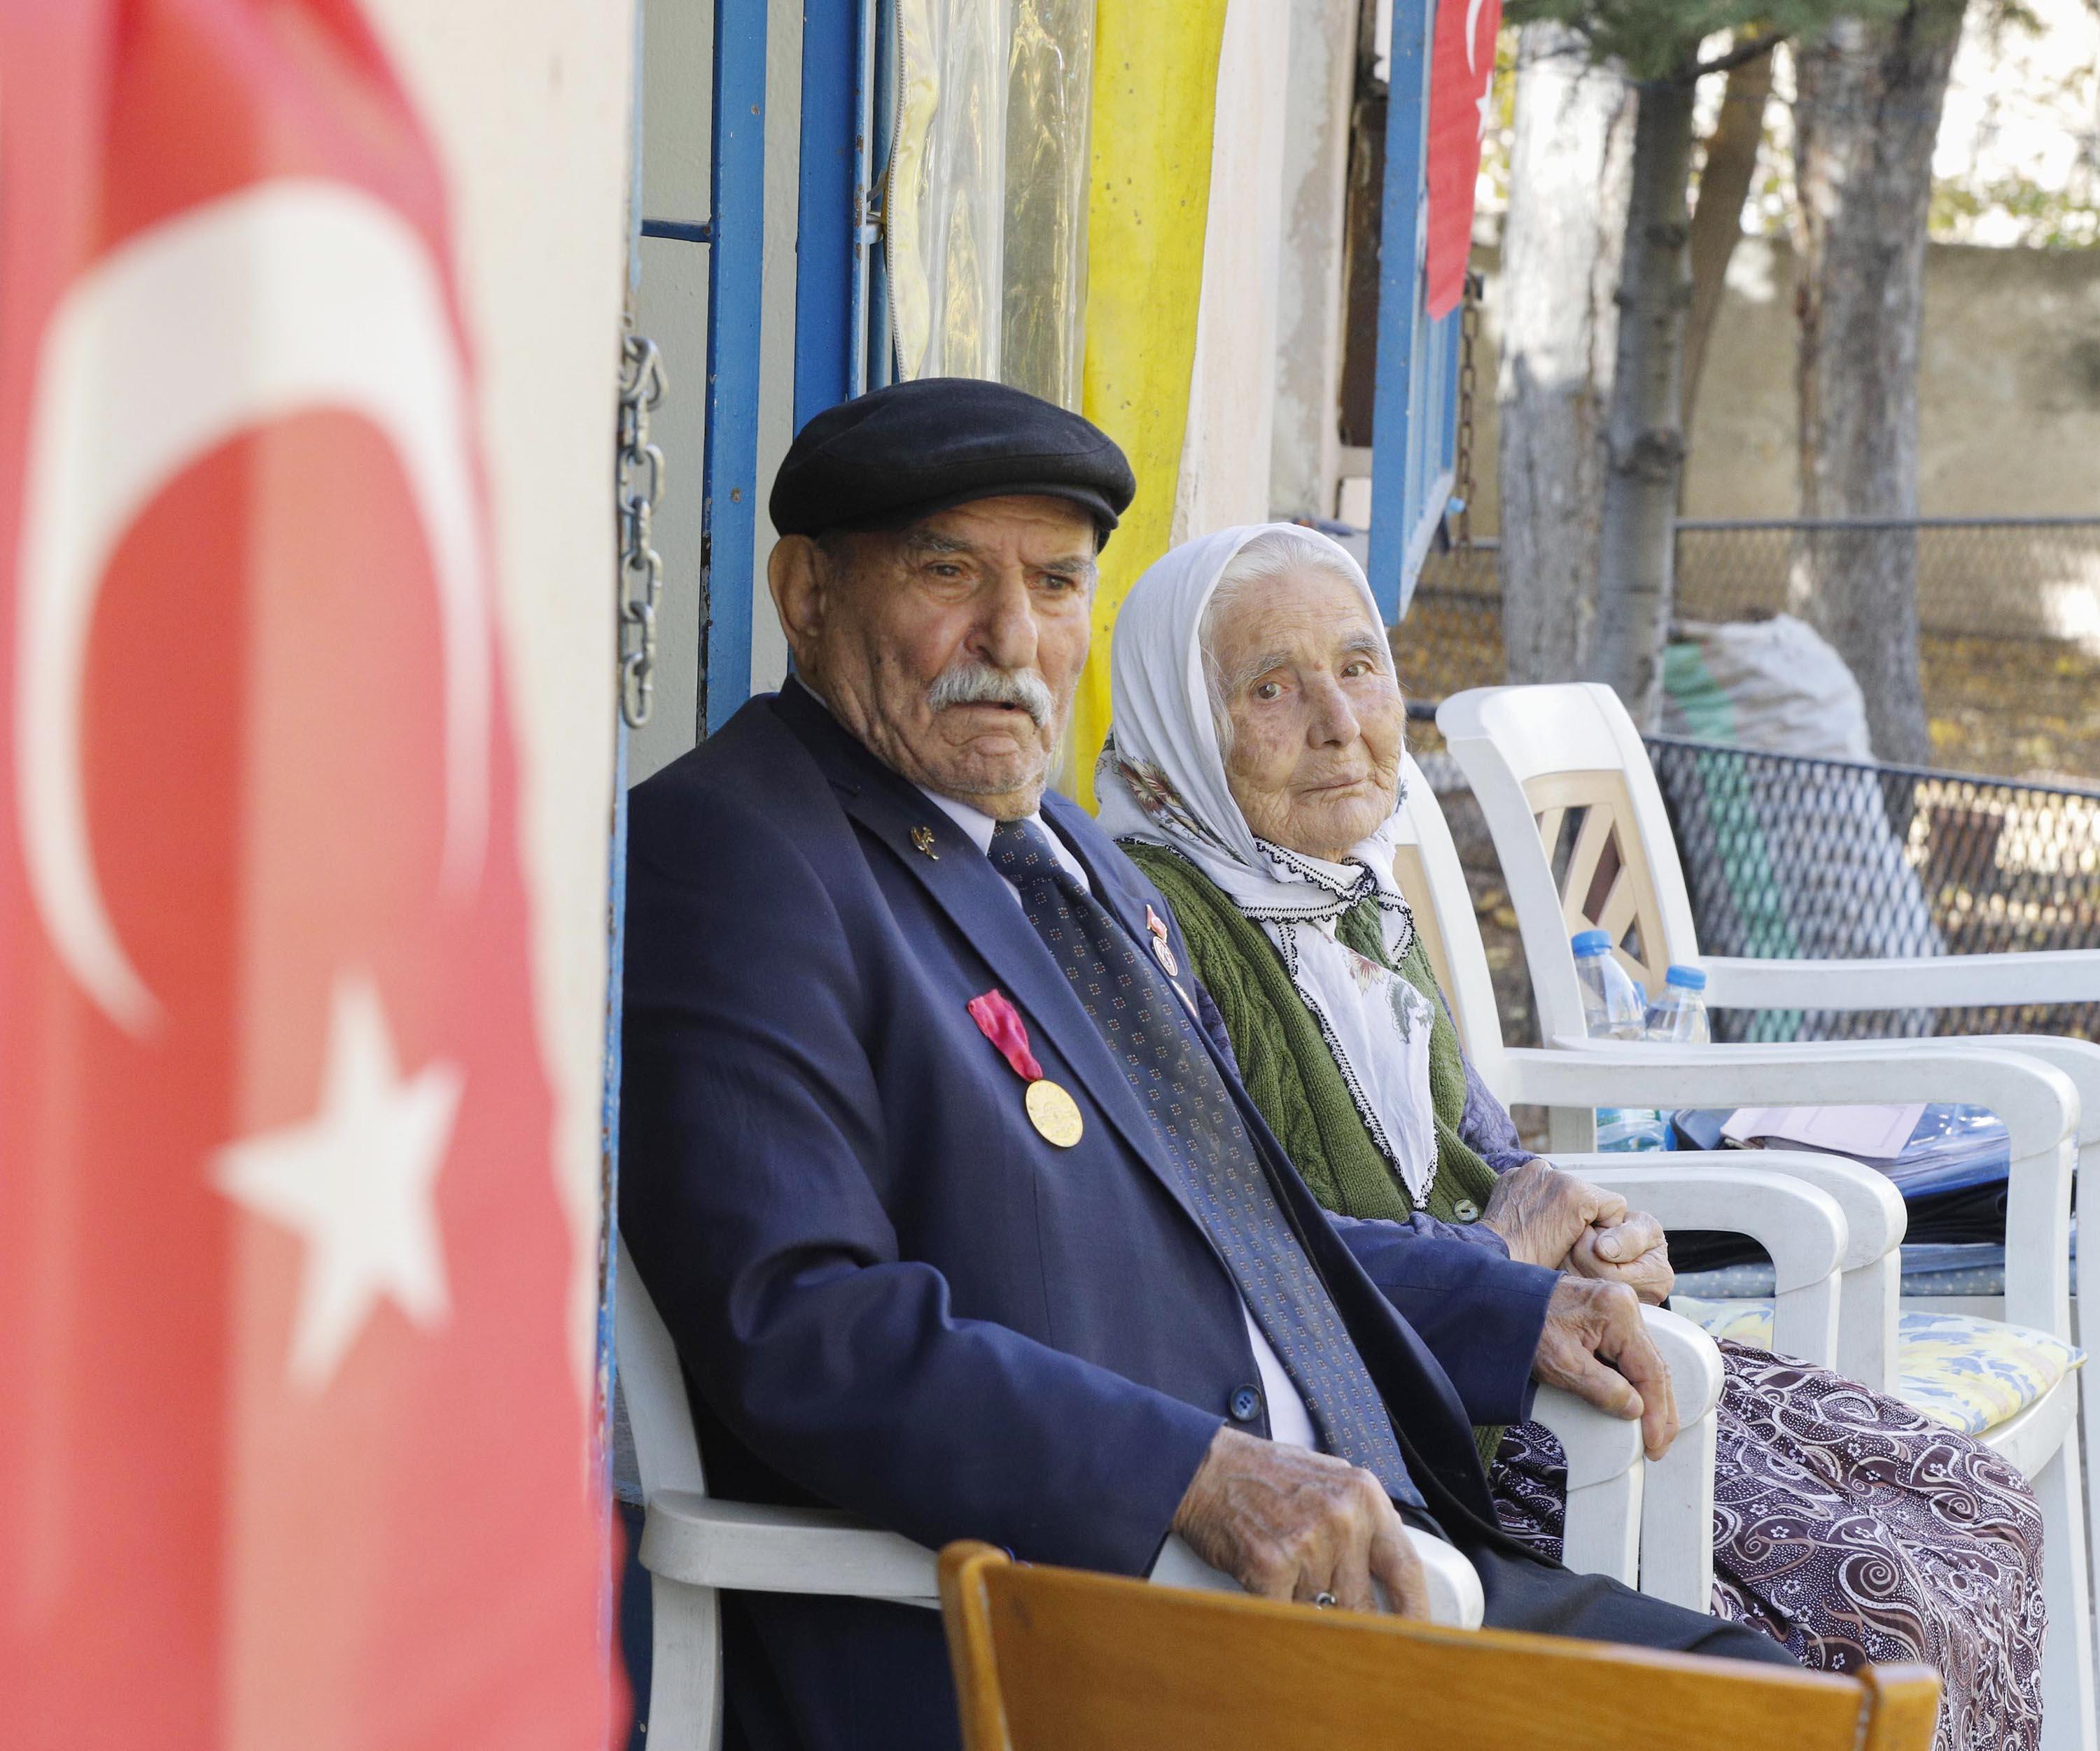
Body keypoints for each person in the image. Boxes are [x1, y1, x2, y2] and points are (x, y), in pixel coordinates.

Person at [619, 381, 1798, 1751]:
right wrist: (1193, 1473)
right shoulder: (741, 853)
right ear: (807, 593)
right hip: (1066, 1629)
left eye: (1056, 584)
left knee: (1794, 1708)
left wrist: (1498, 1311)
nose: (1011, 638)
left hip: (1333, 1571)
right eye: (950, 573)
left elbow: (1237, 1225)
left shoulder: (1074, 863)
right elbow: (802, 1326)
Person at [1097, 520, 2047, 1751]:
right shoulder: (1151, 927)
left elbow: (1492, 1158)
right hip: (1419, 1437)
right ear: (1174, 743)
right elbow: (1230, 1247)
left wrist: (1594, 1228)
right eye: (1270, 689)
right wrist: (1508, 1246)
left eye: (1359, 666)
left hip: (1519, 1359)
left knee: (1977, 1508)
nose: (1339, 720)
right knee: (1870, 1619)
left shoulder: (1344, 892)